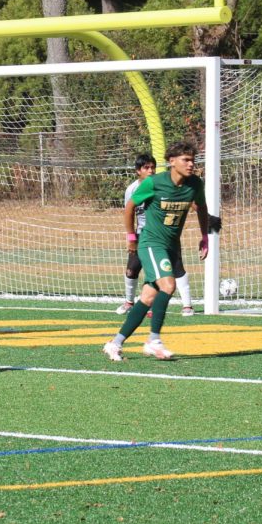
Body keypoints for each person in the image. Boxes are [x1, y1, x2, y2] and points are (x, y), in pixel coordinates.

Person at [103, 141, 209, 362]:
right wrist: (131, 238)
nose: (191, 164)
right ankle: (154, 340)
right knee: (168, 285)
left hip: (171, 245)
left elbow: (201, 208)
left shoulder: (195, 184)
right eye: (185, 160)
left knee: (148, 297)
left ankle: (115, 343)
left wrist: (205, 236)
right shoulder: (153, 183)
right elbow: (130, 207)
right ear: (172, 162)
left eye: (192, 160)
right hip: (151, 243)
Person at [116, 153, 156, 315]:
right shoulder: (132, 190)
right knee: (131, 270)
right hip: (140, 235)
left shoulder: (159, 186)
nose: (151, 171)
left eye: (153, 167)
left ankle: (150, 305)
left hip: (156, 236)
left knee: (153, 271)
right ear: (138, 171)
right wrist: (131, 238)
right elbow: (129, 213)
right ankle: (129, 302)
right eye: (146, 168)